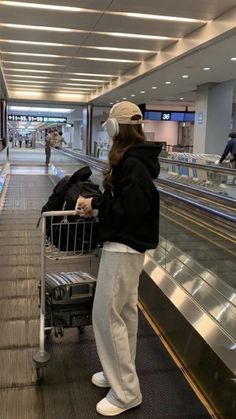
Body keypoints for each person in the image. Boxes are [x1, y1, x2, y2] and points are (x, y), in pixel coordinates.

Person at [76, 101, 162, 416]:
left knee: (106, 315)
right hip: (127, 246)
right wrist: (97, 203)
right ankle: (120, 375)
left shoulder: (134, 164)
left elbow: (132, 209)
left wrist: (98, 207)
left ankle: (125, 392)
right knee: (123, 315)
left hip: (123, 246)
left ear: (116, 127)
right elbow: (124, 201)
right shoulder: (136, 160)